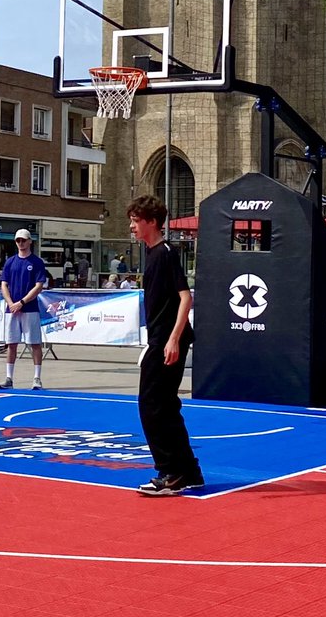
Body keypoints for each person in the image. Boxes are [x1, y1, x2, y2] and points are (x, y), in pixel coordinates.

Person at [129, 195, 203, 497]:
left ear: (152, 222)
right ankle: (188, 471)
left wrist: (173, 339)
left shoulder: (165, 253)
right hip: (160, 340)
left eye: (136, 220)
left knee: (152, 406)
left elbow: (186, 298)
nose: (132, 226)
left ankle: (170, 472)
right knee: (167, 406)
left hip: (166, 342)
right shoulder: (153, 254)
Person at [0, 229, 48, 391]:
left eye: (23, 240)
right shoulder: (10, 262)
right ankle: (9, 378)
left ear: (30, 241)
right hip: (12, 309)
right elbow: (4, 284)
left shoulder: (37, 262)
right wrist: (11, 303)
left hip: (30, 309)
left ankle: (37, 378)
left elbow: (39, 286)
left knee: (34, 343)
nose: (21, 243)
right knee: (11, 343)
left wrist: (22, 302)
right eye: (18, 240)